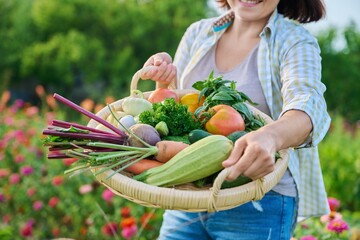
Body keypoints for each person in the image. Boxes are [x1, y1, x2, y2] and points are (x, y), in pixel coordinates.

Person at [139, 0, 331, 239]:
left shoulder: (294, 41)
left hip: (259, 200)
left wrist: (270, 136)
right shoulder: (198, 33)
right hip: (189, 190)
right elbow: (178, 109)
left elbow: (308, 106)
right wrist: (163, 82)